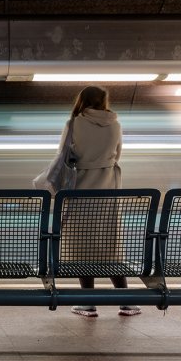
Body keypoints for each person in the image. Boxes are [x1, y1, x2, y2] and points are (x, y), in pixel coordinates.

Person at [59, 86, 141, 318]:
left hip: (80, 191)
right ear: (104, 101)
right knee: (110, 244)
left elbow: (63, 157)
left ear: (81, 100)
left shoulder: (73, 124)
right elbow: (118, 154)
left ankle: (89, 303)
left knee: (83, 245)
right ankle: (126, 302)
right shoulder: (115, 124)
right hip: (108, 190)